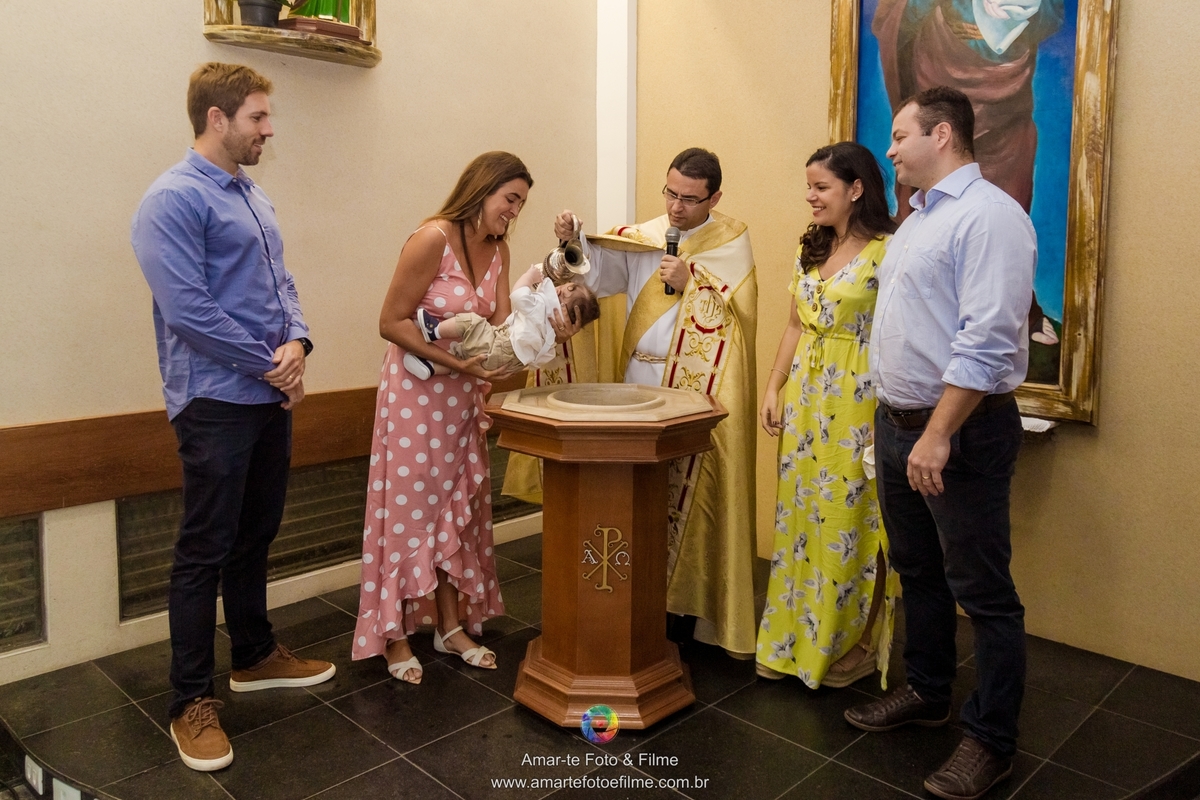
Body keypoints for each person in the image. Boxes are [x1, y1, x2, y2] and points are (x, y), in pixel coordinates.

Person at [131, 62, 335, 773]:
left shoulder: (253, 196)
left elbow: (282, 284)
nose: (267, 129)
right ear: (216, 119)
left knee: (255, 533)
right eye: (257, 118)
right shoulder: (171, 200)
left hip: (265, 395)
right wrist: (269, 362)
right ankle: (190, 701)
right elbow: (188, 311)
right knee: (203, 551)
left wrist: (300, 343)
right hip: (215, 400)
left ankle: (252, 655)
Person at [843, 87, 1035, 800]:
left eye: (900, 135)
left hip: (956, 434)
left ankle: (991, 741)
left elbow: (986, 343)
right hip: (898, 427)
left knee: (984, 594)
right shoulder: (919, 220)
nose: (889, 149)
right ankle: (928, 692)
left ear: (943, 134)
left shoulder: (990, 219)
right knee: (917, 572)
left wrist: (937, 434)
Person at [352, 152, 582, 683]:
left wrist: (545, 328)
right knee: (410, 513)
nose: (514, 212)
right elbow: (390, 320)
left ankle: (450, 626)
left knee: (458, 506)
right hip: (415, 395)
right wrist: (451, 360)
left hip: (462, 400)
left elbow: (501, 327)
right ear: (482, 189)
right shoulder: (431, 238)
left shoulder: (498, 251)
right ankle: (394, 636)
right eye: (510, 199)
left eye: (521, 203)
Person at [546, 147, 758, 657]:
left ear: (715, 197)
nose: (677, 207)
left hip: (694, 388)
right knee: (639, 491)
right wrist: (572, 242)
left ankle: (682, 608)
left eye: (689, 198)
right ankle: (635, 593)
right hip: (637, 379)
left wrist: (694, 285)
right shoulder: (643, 237)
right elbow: (591, 278)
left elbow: (739, 321)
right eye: (670, 193)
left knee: (688, 492)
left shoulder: (732, 241)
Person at [756, 142, 900, 689]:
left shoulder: (888, 251)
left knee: (854, 517)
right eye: (809, 186)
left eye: (821, 187)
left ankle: (856, 642)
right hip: (807, 400)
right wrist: (774, 387)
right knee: (801, 515)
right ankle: (793, 636)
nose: (810, 197)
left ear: (855, 188)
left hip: (859, 398)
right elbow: (794, 325)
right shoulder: (809, 248)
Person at [872, 0, 1064, 348]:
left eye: (899, 139)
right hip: (938, 55)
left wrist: (1009, 23)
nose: (891, 150)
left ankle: (1024, 310)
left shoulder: (998, 213)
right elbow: (900, 14)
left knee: (1008, 186)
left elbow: (1050, 14)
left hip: (1004, 76)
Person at [405, 263, 600, 379]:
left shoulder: (542, 308)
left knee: (472, 322)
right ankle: (430, 368)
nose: (562, 288)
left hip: (501, 346)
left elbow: (518, 296)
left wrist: (527, 277)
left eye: (567, 292)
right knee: (462, 358)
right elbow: (541, 358)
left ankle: (434, 331)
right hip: (510, 364)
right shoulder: (550, 333)